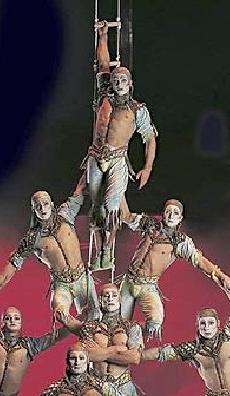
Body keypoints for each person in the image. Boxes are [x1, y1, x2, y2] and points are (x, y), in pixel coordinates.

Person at [81, 20, 158, 271]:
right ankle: (101, 248)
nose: (119, 82)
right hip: (95, 156)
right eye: (116, 79)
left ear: (130, 83)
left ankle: (108, 249)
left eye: (123, 79)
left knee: (112, 206)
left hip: (117, 160)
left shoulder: (137, 110)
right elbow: (103, 63)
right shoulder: (103, 94)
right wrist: (103, 35)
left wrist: (147, 168)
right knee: (96, 206)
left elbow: (150, 137)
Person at [0, 173, 98, 321]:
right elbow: (13, 264)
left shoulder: (66, 214)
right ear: (34, 210)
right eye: (38, 206)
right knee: (60, 313)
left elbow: (80, 190)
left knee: (95, 316)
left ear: (51, 204)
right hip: (62, 285)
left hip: (82, 278)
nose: (42, 208)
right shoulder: (32, 238)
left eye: (45, 204)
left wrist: (90, 167)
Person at [120, 198, 230, 341]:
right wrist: (119, 188)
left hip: (148, 286)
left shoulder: (180, 242)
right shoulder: (148, 225)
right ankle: (123, 338)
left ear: (180, 218)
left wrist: (222, 276)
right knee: (119, 324)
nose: (171, 216)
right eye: (168, 212)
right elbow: (126, 216)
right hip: (128, 281)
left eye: (175, 213)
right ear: (163, 213)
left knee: (155, 322)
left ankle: (134, 338)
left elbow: (199, 261)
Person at [55, 282, 143, 396]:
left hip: (123, 383)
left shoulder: (131, 327)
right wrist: (117, 350)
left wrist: (100, 351)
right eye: (106, 295)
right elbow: (88, 355)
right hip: (95, 385)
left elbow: (134, 357)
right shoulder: (89, 327)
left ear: (120, 299)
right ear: (100, 300)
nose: (110, 299)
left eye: (114, 295)